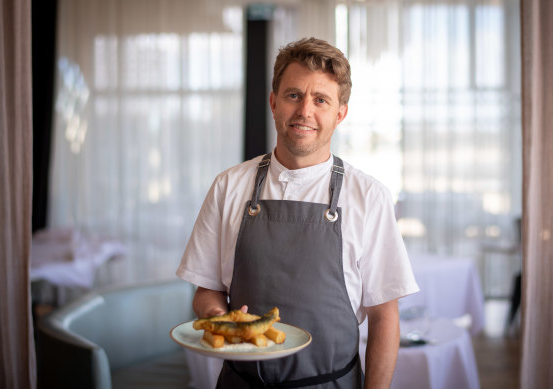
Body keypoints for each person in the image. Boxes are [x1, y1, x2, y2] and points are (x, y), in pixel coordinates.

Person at [177, 37, 419, 388]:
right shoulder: (228, 186)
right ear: (274, 102)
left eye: (321, 100)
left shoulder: (370, 197)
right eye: (293, 95)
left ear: (340, 113)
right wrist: (220, 317)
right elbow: (206, 290)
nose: (305, 111)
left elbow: (384, 317)